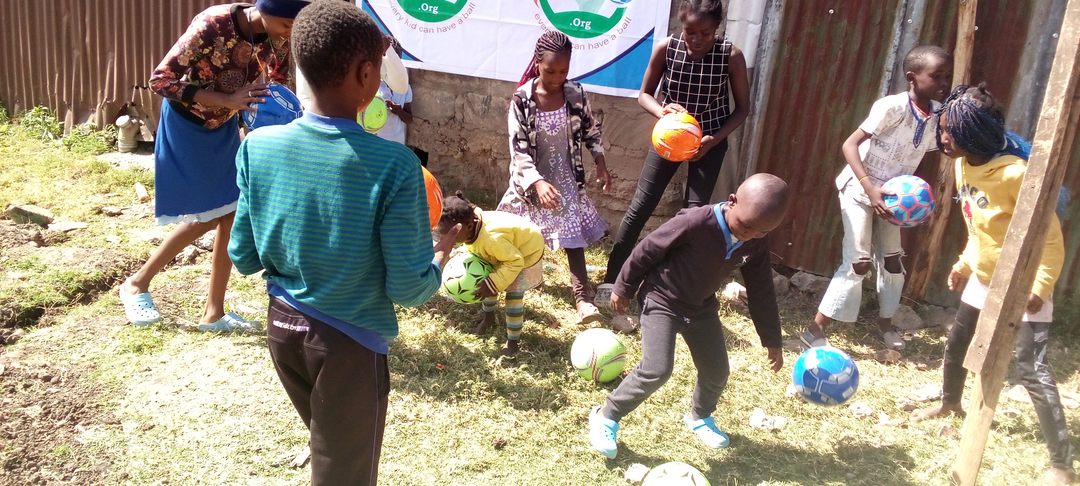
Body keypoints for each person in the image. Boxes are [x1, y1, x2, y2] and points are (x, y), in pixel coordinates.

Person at [228, 2, 458, 484]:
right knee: (344, 474)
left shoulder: (256, 148)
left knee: (330, 451)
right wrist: (440, 254)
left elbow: (244, 256)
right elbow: (408, 288)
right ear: (366, 74)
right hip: (349, 347)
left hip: (282, 331)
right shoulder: (395, 167)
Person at [911, 84, 1073, 484]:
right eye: (942, 130)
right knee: (958, 343)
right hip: (984, 279)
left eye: (949, 132)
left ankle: (1062, 464)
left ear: (974, 133)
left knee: (1031, 368)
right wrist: (965, 264)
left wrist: (1040, 286)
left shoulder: (1016, 175)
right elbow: (979, 226)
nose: (942, 138)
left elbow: (1050, 239)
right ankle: (950, 403)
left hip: (1024, 284)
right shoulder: (964, 164)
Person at [121, 0, 309, 331]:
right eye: (286, 25)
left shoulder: (277, 34)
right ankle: (137, 283)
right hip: (189, 124)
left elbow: (275, 78)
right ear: (264, 9)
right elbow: (161, 81)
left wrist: (270, 113)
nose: (289, 34)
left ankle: (214, 313)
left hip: (225, 125)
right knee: (209, 215)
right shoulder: (214, 24)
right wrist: (226, 100)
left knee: (233, 212)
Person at [588, 173, 789, 459]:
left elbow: (761, 290)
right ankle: (606, 416)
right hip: (662, 299)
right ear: (732, 201)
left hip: (700, 307)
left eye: (759, 232)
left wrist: (772, 339)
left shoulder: (755, 241)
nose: (749, 234)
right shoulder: (696, 222)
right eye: (745, 225)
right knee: (657, 369)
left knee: (717, 370)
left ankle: (700, 416)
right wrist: (624, 287)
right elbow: (648, 249)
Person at [597, 0, 751, 332]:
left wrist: (712, 140)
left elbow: (742, 109)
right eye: (690, 31)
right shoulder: (667, 47)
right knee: (641, 206)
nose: (696, 39)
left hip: (708, 142)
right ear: (681, 26)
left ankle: (672, 289)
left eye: (705, 33)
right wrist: (662, 112)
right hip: (669, 140)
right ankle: (612, 279)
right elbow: (644, 95)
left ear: (717, 28)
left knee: (694, 217)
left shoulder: (730, 56)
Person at [801, 45, 952, 351]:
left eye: (947, 76)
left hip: (896, 200)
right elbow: (849, 145)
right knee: (858, 262)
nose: (943, 83)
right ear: (912, 77)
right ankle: (814, 330)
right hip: (860, 190)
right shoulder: (891, 108)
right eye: (936, 76)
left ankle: (886, 323)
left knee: (893, 262)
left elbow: (940, 146)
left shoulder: (938, 115)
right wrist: (870, 188)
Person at [498, 31, 612, 325]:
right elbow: (518, 150)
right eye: (550, 71)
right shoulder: (522, 99)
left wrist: (600, 162)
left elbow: (591, 131)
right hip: (529, 182)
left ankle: (582, 299)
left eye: (563, 71)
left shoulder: (575, 94)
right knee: (517, 233)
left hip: (565, 177)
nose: (557, 78)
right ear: (537, 63)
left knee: (573, 238)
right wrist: (536, 182)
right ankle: (509, 281)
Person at [438, 193, 546, 356]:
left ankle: (513, 342)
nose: (447, 238)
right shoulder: (470, 225)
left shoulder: (491, 239)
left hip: (525, 254)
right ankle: (489, 318)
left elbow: (515, 261)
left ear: (468, 225)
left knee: (512, 297)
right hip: (505, 252)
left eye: (452, 234)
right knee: (485, 281)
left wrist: (493, 283)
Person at [375, 37, 414, 146]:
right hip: (375, 143)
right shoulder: (373, 84)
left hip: (397, 143)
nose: (394, 63)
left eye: (397, 59)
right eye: (391, 58)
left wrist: (399, 111)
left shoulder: (404, 86)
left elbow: (409, 119)